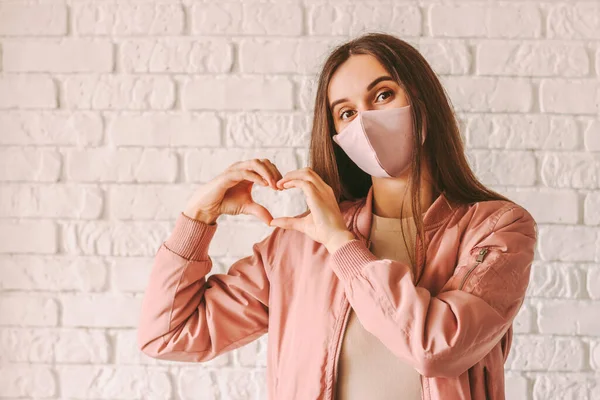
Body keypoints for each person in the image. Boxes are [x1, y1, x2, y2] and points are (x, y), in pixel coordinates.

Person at [137, 32, 538, 400]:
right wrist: (196, 219)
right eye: (346, 113)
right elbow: (169, 334)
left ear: (422, 101)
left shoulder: (498, 229)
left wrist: (342, 245)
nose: (364, 120)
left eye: (382, 95)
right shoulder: (298, 244)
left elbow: (437, 347)